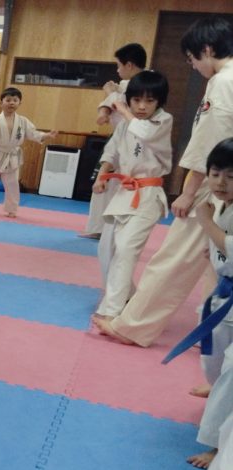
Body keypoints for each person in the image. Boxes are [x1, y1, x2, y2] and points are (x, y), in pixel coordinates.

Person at [94, 16, 233, 348]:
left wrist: (189, 191)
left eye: (192, 59)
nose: (193, 67)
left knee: (173, 258)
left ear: (207, 49)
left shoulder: (223, 82)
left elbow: (210, 142)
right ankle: (213, 332)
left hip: (215, 184)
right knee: (219, 258)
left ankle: (134, 326)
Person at [162, 139, 233, 470]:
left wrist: (206, 222)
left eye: (231, 176)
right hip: (225, 295)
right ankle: (216, 388)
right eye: (215, 174)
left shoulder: (213, 211)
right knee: (213, 358)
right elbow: (224, 245)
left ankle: (219, 447)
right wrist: (215, 250)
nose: (221, 182)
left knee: (230, 375)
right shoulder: (224, 205)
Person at [91, 71, 172, 322]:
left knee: (126, 249)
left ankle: (112, 310)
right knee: (106, 249)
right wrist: (102, 176)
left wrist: (124, 110)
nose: (142, 106)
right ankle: (128, 297)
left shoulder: (163, 120)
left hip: (147, 195)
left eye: (149, 101)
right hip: (123, 193)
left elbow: (144, 133)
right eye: (136, 100)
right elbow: (112, 151)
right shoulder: (126, 123)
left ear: (159, 102)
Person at [81, 43, 148, 240]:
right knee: (108, 181)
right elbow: (110, 105)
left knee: (116, 183)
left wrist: (111, 93)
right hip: (123, 138)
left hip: (132, 139)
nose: (117, 70)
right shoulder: (129, 84)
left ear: (129, 65)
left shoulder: (140, 84)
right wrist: (106, 106)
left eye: (118, 65)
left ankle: (106, 228)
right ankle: (101, 228)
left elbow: (118, 104)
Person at [0, 87, 57, 218]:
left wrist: (46, 135)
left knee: (12, 184)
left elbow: (33, 134)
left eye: (15, 100)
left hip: (12, 157)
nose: (11, 103)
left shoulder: (22, 121)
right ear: (1, 102)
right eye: (8, 100)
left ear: (19, 103)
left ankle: (12, 209)